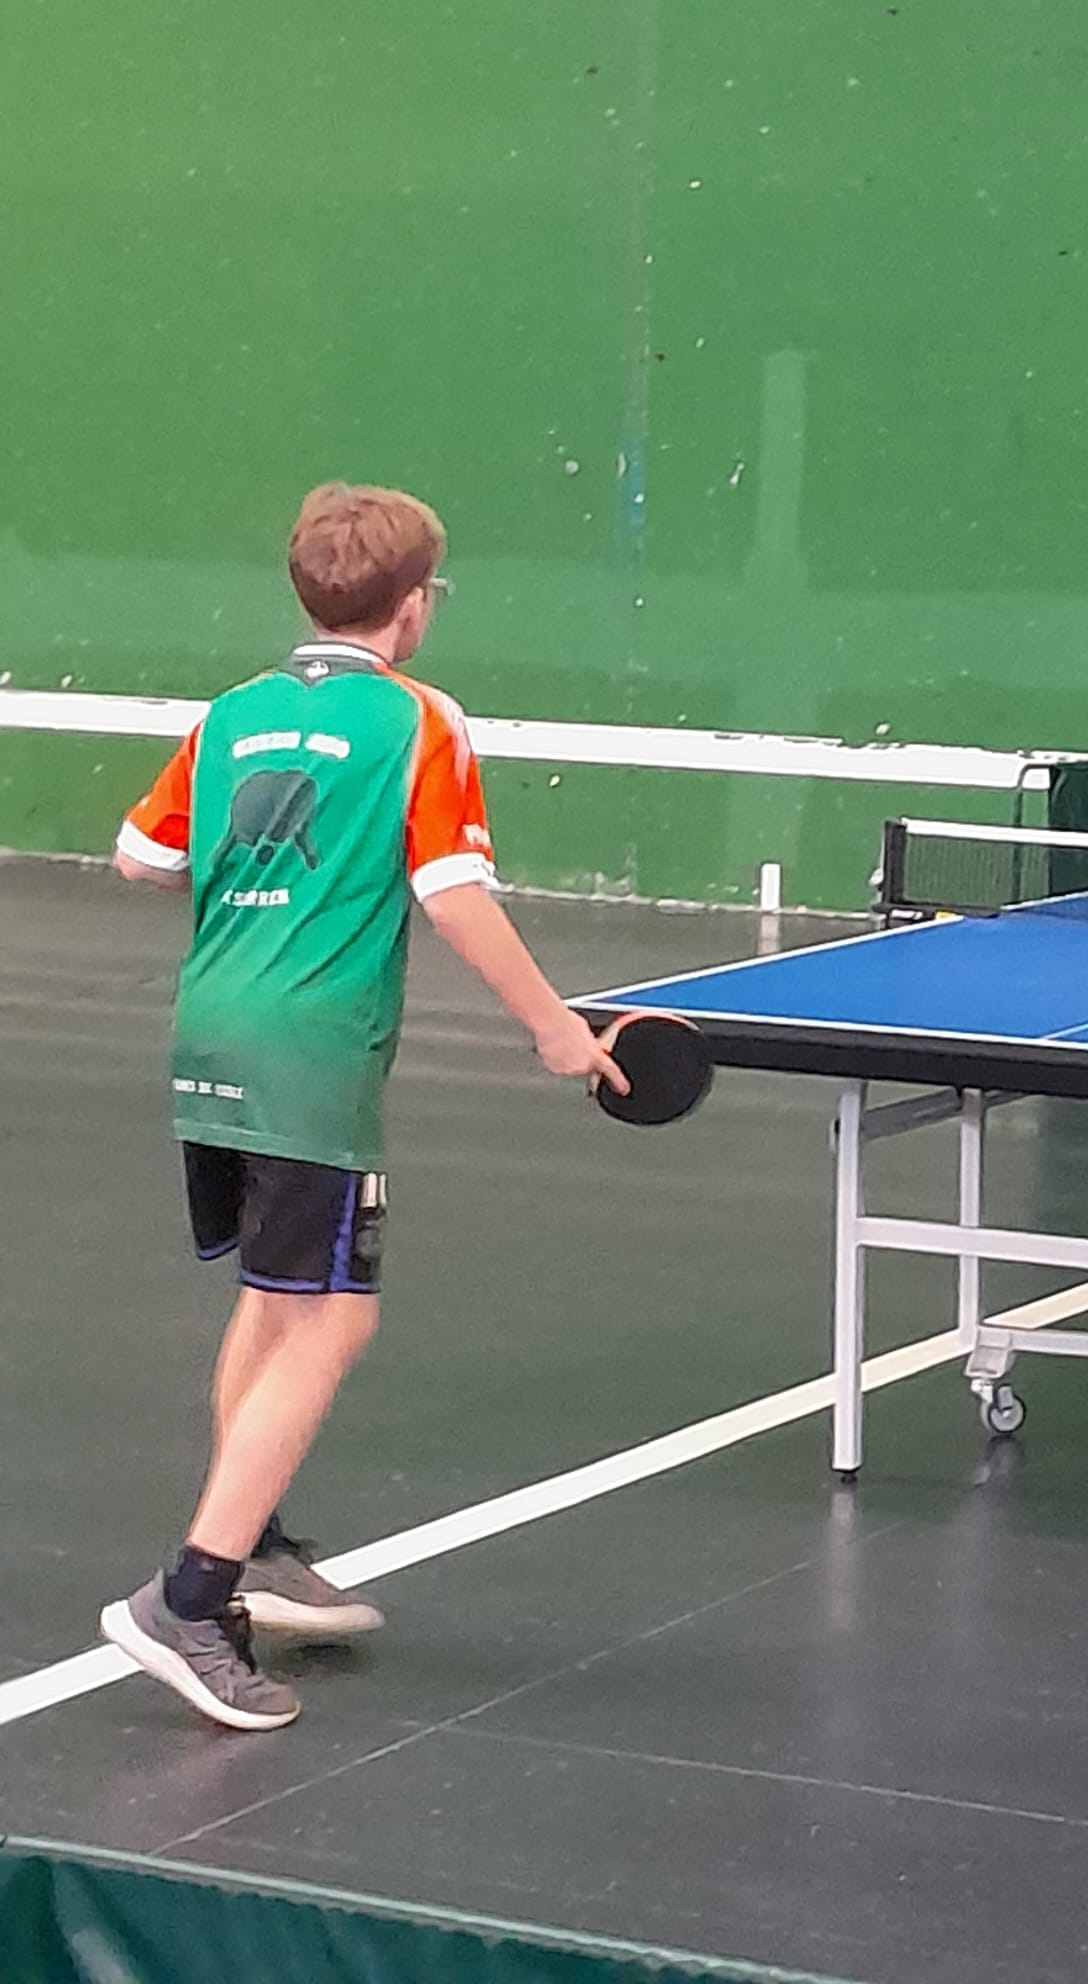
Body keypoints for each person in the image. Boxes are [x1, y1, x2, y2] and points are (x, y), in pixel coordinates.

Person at [100, 482, 624, 1731]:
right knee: (332, 1318)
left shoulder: (234, 712)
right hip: (312, 1054)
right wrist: (554, 1025)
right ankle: (190, 1597)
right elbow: (452, 891)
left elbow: (140, 854)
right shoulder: (417, 718)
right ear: (414, 605)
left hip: (210, 1029)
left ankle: (255, 1542)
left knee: (275, 1296)